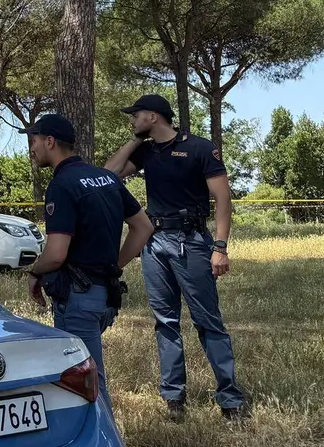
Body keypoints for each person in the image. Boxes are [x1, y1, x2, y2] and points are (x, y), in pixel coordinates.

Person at [104, 94, 250, 421]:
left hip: (192, 241)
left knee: (207, 321)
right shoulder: (145, 151)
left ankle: (230, 399)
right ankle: (174, 399)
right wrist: (133, 141)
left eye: (136, 115)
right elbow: (109, 175)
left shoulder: (199, 148)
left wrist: (220, 247)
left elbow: (223, 199)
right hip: (154, 243)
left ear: (153, 116)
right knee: (165, 322)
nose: (132, 119)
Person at [21, 113, 153, 420]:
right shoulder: (106, 178)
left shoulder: (62, 185)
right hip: (105, 297)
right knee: (86, 378)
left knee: (87, 383)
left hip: (78, 300)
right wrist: (113, 267)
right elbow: (143, 227)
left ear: (50, 142)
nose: (32, 149)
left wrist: (34, 273)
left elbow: (56, 254)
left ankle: (105, 437)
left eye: (34, 141)